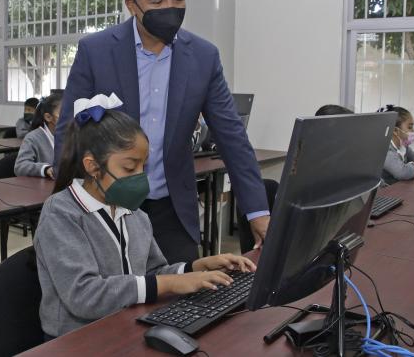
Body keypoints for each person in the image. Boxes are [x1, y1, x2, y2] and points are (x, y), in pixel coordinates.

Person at [54, 0, 270, 264]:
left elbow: (232, 137)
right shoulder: (96, 51)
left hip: (173, 209)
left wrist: (258, 211)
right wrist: (70, 203)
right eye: (157, 2)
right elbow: (69, 131)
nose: (170, 8)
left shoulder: (203, 57)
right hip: (108, 204)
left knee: (181, 302)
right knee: (116, 302)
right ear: (132, 5)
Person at [35, 94, 255, 338]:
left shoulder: (133, 211)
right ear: (93, 166)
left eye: (143, 166)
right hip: (78, 340)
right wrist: (170, 284)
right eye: (130, 168)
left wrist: (194, 269)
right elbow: (84, 295)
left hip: (127, 325)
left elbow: (153, 273)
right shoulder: (61, 214)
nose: (140, 177)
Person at [14, 93, 62, 178]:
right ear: (48, 117)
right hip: (42, 188)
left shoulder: (72, 136)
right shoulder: (33, 138)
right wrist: (45, 169)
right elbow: (20, 166)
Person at [379, 104, 414, 185]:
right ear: (395, 130)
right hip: (386, 192)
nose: (413, 131)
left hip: (400, 188)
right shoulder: (385, 149)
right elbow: (402, 173)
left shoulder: (404, 146)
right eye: (410, 127)